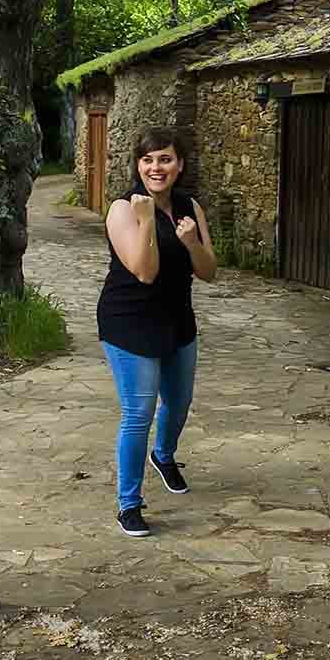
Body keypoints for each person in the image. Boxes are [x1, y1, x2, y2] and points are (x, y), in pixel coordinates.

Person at [97, 127, 218, 537]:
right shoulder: (122, 209)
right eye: (148, 160)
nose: (156, 167)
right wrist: (147, 221)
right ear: (138, 165)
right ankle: (128, 503)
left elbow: (209, 271)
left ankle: (163, 455)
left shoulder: (190, 208)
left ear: (179, 165)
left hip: (177, 318)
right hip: (129, 322)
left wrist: (190, 242)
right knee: (138, 413)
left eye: (165, 159)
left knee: (179, 403)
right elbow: (145, 272)